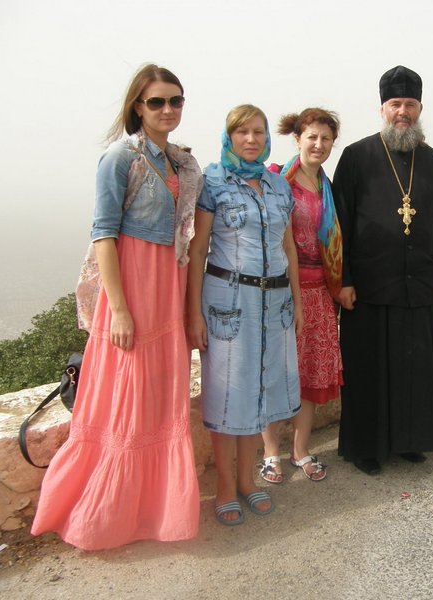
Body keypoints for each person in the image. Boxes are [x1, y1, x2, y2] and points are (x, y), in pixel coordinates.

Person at [32, 64, 202, 550]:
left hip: (168, 284)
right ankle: (106, 515)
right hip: (133, 286)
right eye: (157, 101)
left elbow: (190, 236)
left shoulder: (182, 164)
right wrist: (120, 311)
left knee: (161, 395)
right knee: (127, 397)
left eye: (175, 100)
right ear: (137, 107)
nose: (167, 109)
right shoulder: (120, 158)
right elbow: (104, 235)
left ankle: (154, 510)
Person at [332, 65, 433, 475]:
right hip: (369, 286)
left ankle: (409, 441)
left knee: (412, 369)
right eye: (395, 104)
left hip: (418, 286)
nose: (402, 111)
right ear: (382, 108)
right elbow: (339, 225)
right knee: (369, 370)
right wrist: (344, 280)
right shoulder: (356, 157)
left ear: (420, 108)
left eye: (410, 104)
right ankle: (367, 449)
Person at [186, 104, 302, 525]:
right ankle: (224, 487)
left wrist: (298, 303)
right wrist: (193, 313)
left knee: (259, 392)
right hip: (229, 301)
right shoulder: (214, 181)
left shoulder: (277, 185)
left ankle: (248, 482)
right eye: (242, 132)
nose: (251, 139)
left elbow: (288, 246)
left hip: (275, 301)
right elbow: (198, 249)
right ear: (229, 136)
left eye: (258, 132)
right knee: (227, 394)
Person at [259, 108, 343, 483]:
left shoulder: (328, 187)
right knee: (275, 374)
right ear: (297, 139)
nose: (318, 145)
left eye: (326, 139)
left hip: (320, 293)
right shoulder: (279, 182)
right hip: (283, 292)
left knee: (309, 376)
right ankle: (270, 453)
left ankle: (300, 450)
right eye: (312, 137)